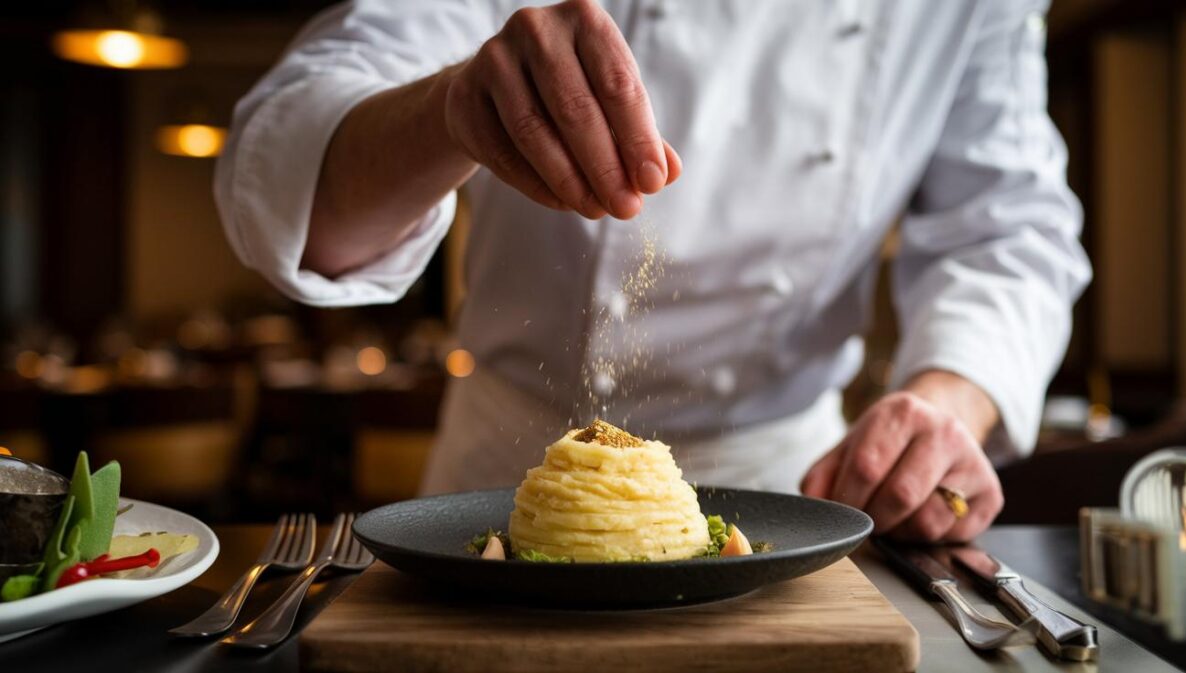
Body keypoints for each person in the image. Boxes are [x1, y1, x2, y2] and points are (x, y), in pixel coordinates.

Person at [215, 0, 1090, 541]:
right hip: (508, 487)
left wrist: (946, 404)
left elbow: (1007, 231)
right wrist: (449, 110)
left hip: (791, 490)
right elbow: (286, 174)